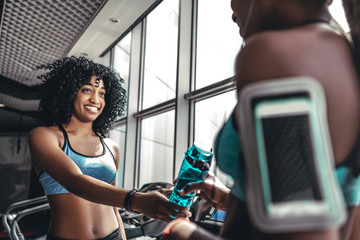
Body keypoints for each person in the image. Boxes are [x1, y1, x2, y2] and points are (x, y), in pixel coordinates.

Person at [161, 0, 360, 239]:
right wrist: (233, 196)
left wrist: (182, 233)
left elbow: (306, 232)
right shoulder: (343, 53)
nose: (232, 11)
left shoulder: (274, 56)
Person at [28, 56, 190, 240]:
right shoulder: (43, 136)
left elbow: (113, 206)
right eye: (87, 90)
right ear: (69, 92)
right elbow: (75, 182)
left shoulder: (111, 147)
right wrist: (137, 200)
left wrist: (122, 234)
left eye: (102, 93)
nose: (95, 99)